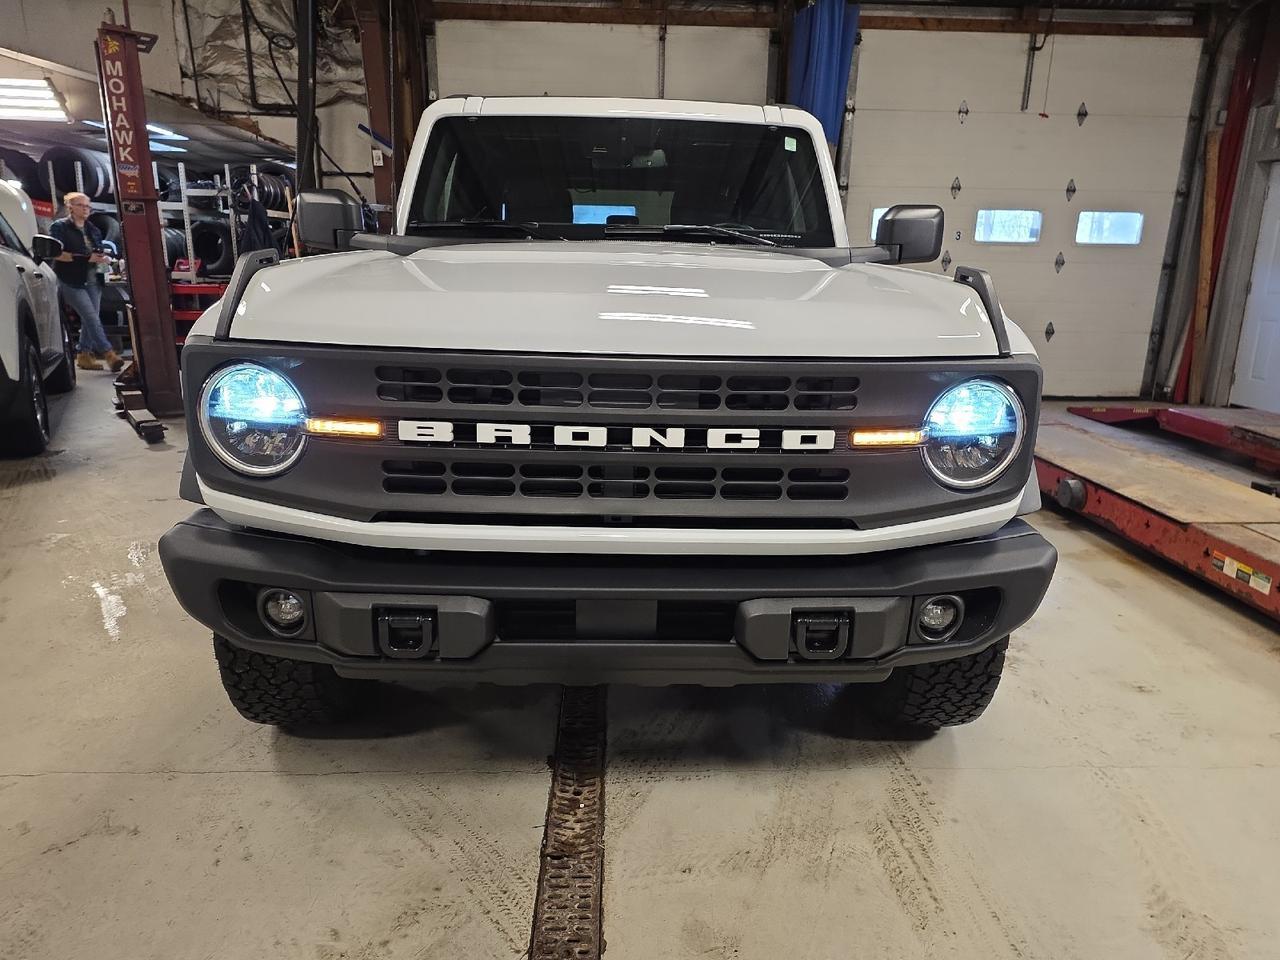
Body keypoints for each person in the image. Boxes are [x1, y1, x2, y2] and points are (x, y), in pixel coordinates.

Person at [49, 192, 123, 372]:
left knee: (90, 318)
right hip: (71, 280)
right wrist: (86, 259)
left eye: (87, 206)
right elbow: (57, 253)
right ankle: (109, 354)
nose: (85, 209)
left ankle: (84, 354)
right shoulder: (59, 228)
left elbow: (96, 252)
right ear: (70, 207)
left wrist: (104, 258)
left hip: (92, 280)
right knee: (91, 317)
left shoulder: (93, 229)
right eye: (81, 205)